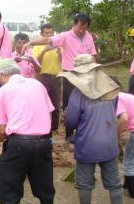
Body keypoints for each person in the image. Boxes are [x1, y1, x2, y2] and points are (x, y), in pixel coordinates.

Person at [0, 59, 55, 204]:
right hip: (43, 142)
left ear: (4, 75)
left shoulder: (2, 92)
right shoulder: (38, 85)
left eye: (0, 78)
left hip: (18, 143)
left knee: (8, 188)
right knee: (45, 185)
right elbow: (49, 115)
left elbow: (2, 131)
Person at [62, 54, 122, 204]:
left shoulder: (77, 93)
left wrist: (70, 131)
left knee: (84, 183)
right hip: (109, 142)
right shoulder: (110, 88)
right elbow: (114, 112)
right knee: (114, 183)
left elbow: (71, 121)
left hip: (87, 144)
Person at [23, 14, 97, 142]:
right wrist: (31, 42)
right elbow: (48, 40)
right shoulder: (65, 36)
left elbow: (92, 55)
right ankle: (69, 133)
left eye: (84, 28)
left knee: (85, 103)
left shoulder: (88, 37)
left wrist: (94, 68)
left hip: (85, 75)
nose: (81, 30)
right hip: (70, 75)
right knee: (69, 104)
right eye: (79, 27)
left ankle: (82, 130)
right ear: (74, 25)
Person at [32, 23, 62, 132]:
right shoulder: (37, 46)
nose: (49, 35)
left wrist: (59, 53)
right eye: (46, 33)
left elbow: (64, 63)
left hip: (57, 77)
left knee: (55, 104)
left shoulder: (59, 45)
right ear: (41, 34)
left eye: (51, 33)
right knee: (41, 102)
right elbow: (36, 63)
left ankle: (54, 128)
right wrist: (44, 50)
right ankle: (41, 126)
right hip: (42, 77)